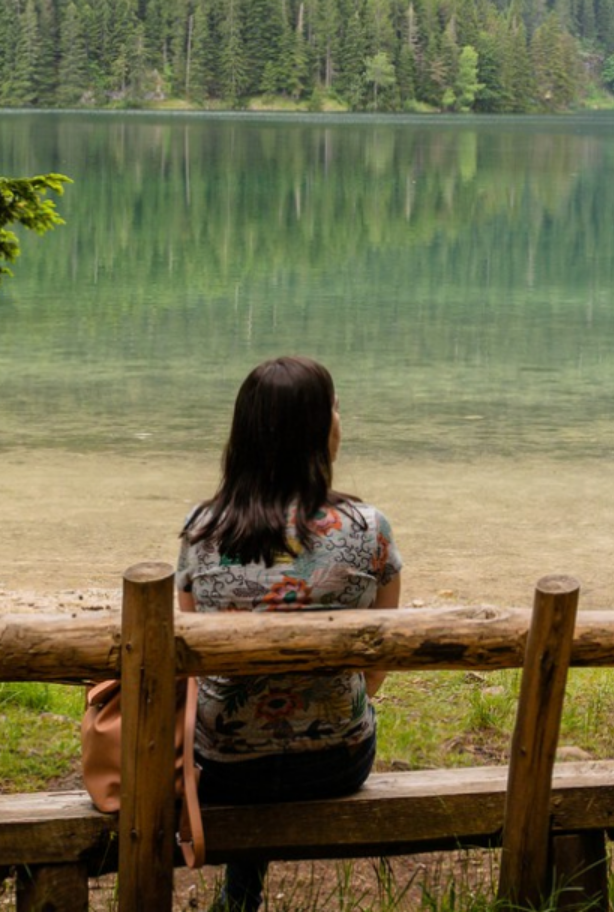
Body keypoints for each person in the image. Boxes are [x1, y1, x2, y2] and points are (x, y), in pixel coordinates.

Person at [175, 355, 402, 912]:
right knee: (324, 713)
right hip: (335, 762)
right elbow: (375, 676)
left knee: (242, 720)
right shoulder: (369, 529)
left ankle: (240, 895)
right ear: (321, 430)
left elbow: (189, 668)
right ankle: (239, 894)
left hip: (224, 767)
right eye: (336, 409)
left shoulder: (202, 530)